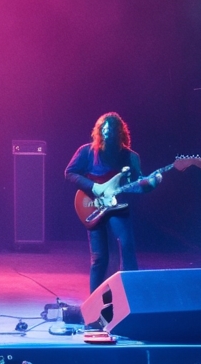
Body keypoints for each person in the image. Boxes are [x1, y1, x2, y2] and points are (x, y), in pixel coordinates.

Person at [66, 113, 164, 292]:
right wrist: (94, 187)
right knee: (99, 258)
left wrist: (151, 183)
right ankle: (94, 306)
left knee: (127, 249)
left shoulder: (130, 157)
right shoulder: (87, 151)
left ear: (119, 133)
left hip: (118, 208)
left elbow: (137, 185)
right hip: (92, 206)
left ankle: (133, 297)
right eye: (103, 129)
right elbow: (70, 172)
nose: (106, 133)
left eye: (110, 129)